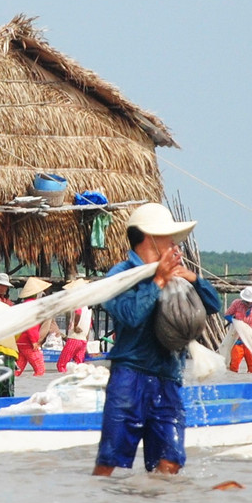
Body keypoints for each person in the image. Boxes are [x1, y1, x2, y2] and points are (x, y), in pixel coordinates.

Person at [93, 202, 221, 476]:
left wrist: (194, 279)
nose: (174, 243)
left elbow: (212, 305)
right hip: (130, 376)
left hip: (168, 377)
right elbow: (130, 316)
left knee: (170, 462)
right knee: (109, 462)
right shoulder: (119, 275)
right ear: (149, 236)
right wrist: (158, 282)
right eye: (168, 237)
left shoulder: (179, 276)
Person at [13, 277, 51, 377]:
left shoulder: (24, 304)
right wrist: (34, 341)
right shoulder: (33, 305)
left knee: (17, 371)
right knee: (40, 369)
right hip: (28, 341)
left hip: (20, 341)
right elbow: (31, 325)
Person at [57, 278, 93, 372]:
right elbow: (89, 325)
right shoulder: (88, 307)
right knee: (79, 365)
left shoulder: (78, 302)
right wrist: (86, 340)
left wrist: (76, 325)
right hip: (83, 340)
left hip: (74, 339)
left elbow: (77, 313)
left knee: (61, 364)